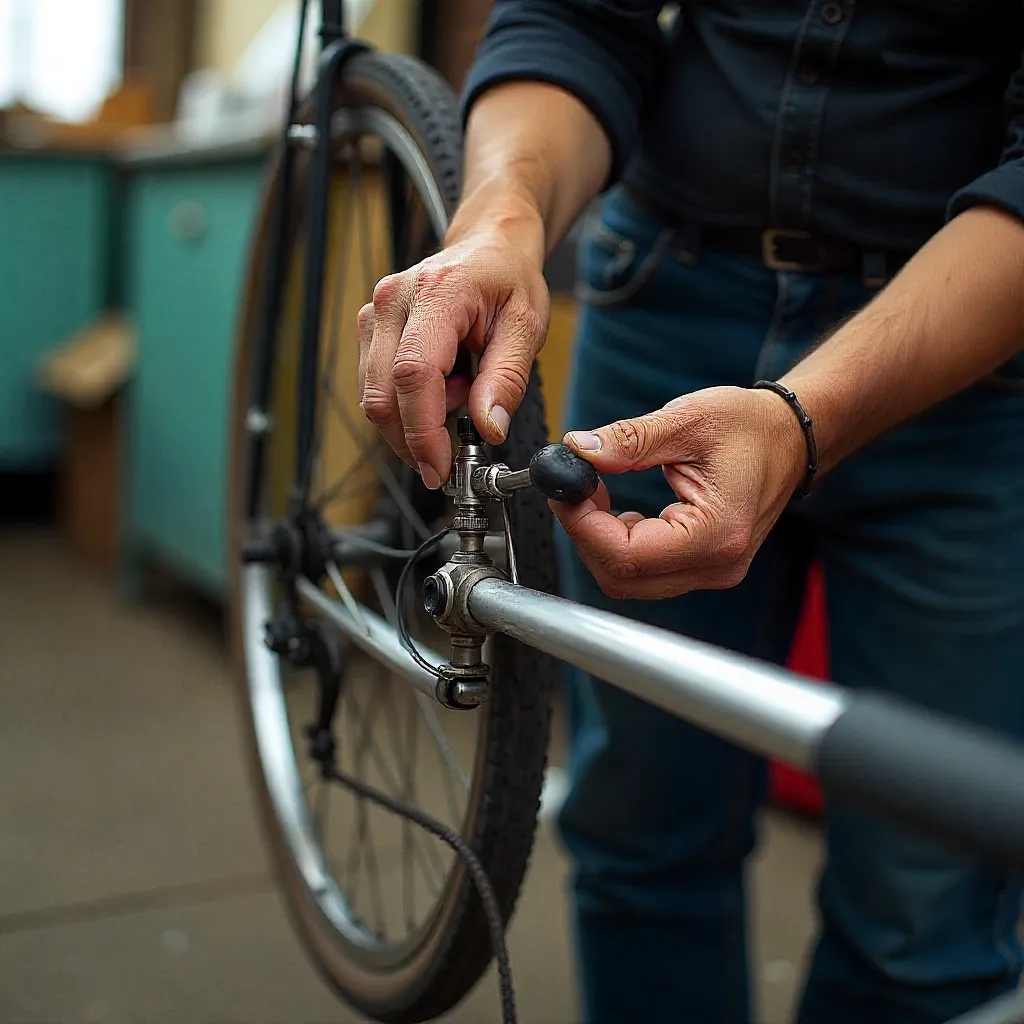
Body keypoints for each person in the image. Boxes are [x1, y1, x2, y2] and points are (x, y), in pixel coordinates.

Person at [357, 3, 1024, 1021]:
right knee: (637, 837)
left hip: (971, 366)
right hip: (666, 296)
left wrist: (799, 422)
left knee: (923, 914)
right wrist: (500, 218)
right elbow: (577, 19)